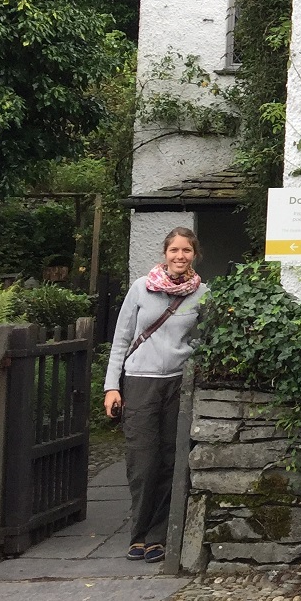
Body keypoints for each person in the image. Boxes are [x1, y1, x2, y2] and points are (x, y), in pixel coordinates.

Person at [104, 226, 207, 564]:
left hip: (178, 384)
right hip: (140, 382)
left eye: (187, 251)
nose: (180, 256)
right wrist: (111, 387)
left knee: (170, 460)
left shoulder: (201, 294)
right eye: (175, 250)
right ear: (165, 253)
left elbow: (204, 338)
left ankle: (157, 536)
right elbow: (121, 340)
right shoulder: (140, 289)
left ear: (194, 255)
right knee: (142, 462)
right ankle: (138, 531)